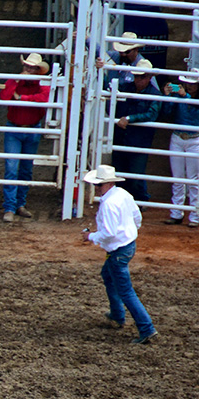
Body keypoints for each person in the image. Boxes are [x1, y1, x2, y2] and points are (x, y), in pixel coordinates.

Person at [83, 165, 157, 344]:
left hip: (118, 251)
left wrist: (90, 236)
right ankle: (117, 315)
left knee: (125, 290)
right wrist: (130, 231)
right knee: (108, 276)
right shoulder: (123, 194)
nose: (96, 189)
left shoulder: (109, 204)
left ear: (106, 184)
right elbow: (136, 216)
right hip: (128, 246)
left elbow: (108, 232)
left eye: (98, 185)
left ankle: (146, 328)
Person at [0, 52, 52, 222]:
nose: (28, 70)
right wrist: (15, 82)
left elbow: (44, 98)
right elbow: (5, 97)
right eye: (26, 66)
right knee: (12, 168)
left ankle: (17, 205)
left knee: (25, 169)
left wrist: (22, 98)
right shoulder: (15, 80)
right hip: (18, 128)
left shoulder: (41, 82)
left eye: (31, 67)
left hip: (29, 128)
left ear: (37, 70)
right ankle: (11, 206)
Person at [109, 58, 160, 202]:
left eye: (142, 76)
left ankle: (139, 200)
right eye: (137, 76)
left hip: (139, 140)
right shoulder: (125, 88)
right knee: (120, 170)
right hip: (123, 137)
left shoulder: (154, 95)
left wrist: (129, 118)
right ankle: (126, 201)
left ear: (149, 77)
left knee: (136, 173)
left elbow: (152, 114)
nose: (138, 80)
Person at [161, 72, 199, 227]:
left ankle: (195, 215)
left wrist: (184, 96)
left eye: (193, 83)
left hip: (195, 139)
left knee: (193, 179)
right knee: (177, 178)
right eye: (187, 83)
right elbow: (166, 113)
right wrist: (169, 96)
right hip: (178, 137)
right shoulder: (180, 97)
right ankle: (176, 213)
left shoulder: (188, 98)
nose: (190, 86)